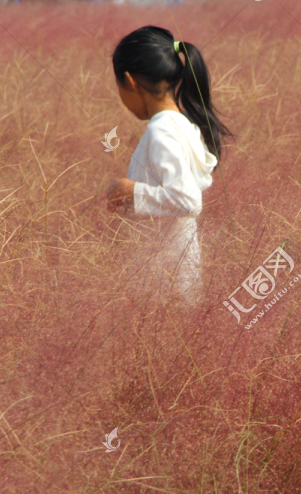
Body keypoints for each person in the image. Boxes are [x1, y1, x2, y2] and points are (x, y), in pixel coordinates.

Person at [103, 26, 231, 308]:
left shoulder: (162, 130)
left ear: (129, 81)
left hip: (162, 284)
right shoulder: (183, 125)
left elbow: (186, 200)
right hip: (177, 275)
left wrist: (130, 191)